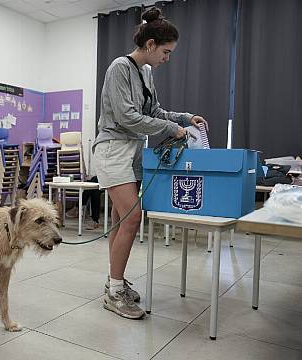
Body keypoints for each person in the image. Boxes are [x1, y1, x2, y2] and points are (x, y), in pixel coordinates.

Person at [92, 6, 208, 319]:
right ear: (151, 45)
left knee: (121, 218)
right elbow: (127, 116)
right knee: (132, 218)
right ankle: (115, 291)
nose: (167, 58)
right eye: (166, 52)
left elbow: (153, 113)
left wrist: (184, 118)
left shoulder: (145, 72)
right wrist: (173, 129)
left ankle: (114, 282)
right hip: (113, 149)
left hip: (134, 150)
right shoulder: (120, 67)